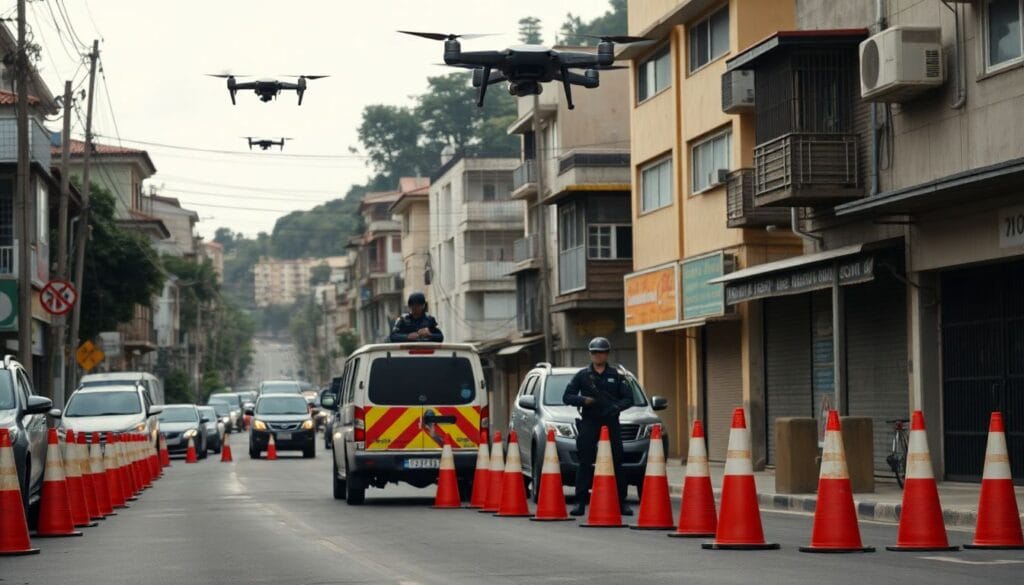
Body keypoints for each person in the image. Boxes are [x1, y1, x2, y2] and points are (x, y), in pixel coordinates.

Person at [562, 336, 633, 517]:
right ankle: (579, 502)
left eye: (601, 352)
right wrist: (584, 400)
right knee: (585, 462)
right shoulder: (582, 375)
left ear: (607, 354)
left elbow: (629, 398)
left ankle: (622, 502)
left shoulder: (616, 376)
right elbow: (567, 396)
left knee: (617, 461)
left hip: (611, 421)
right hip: (589, 421)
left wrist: (617, 407)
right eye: (594, 352)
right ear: (590, 354)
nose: (597, 356)